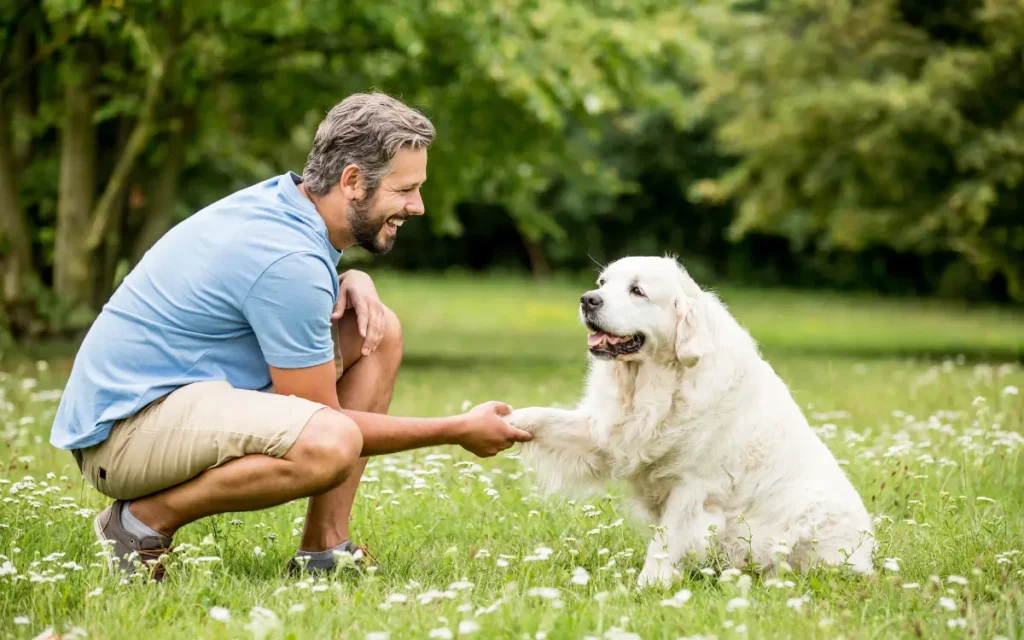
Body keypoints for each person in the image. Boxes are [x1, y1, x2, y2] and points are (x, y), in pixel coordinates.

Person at [49, 92, 533, 581]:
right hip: (122, 436)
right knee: (330, 442)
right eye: (405, 189)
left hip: (168, 401)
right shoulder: (288, 260)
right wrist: (455, 429)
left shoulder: (288, 204)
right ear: (352, 181)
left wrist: (350, 280)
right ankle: (138, 525)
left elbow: (272, 291)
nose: (418, 206)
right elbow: (323, 420)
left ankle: (324, 549)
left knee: (377, 330)